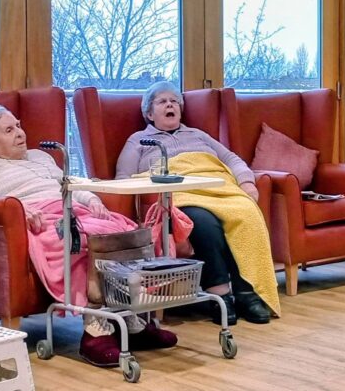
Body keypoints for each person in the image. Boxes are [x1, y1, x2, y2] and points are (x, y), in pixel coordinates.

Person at [0, 104, 177, 367]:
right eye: (9, 130)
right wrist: (22, 210)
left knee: (124, 232)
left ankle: (130, 320)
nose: (20, 133)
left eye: (18, 125)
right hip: (37, 219)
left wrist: (92, 198)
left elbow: (68, 184)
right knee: (84, 241)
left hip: (72, 209)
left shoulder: (41, 157)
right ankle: (95, 331)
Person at [116, 81, 278, 325]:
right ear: (149, 114)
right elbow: (124, 179)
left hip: (217, 187)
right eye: (162, 101)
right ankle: (220, 293)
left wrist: (246, 183)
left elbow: (231, 159)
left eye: (174, 101)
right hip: (179, 195)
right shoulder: (139, 140)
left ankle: (247, 292)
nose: (170, 104)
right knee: (203, 221)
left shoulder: (198, 134)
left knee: (248, 213)